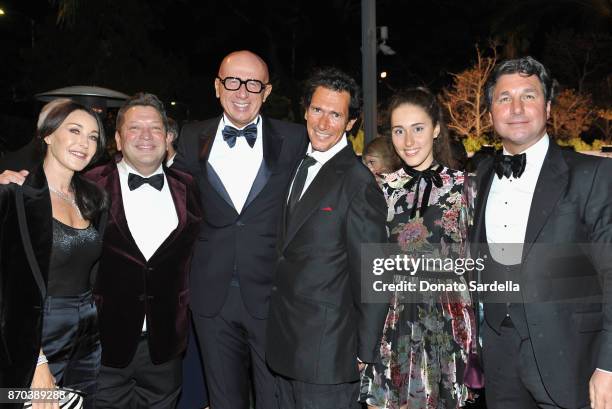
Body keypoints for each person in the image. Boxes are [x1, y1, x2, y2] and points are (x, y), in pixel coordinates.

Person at [471, 56, 612, 409]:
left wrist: (608, 365)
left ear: (548, 107)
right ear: (490, 114)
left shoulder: (591, 175)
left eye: (528, 96)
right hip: (499, 357)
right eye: (504, 98)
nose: (516, 107)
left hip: (573, 360)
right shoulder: (482, 176)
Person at [173, 50, 307, 409]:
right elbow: (161, 185)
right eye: (233, 81)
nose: (242, 91)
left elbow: (334, 173)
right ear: (218, 87)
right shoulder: (190, 137)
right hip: (211, 298)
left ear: (267, 91)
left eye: (253, 83)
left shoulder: (295, 139)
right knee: (223, 401)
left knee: (275, 399)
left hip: (273, 296)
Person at [265, 67, 388, 409]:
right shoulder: (294, 165)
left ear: (350, 123)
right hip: (283, 347)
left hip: (328, 354)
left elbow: (374, 274)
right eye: (317, 110)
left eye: (336, 114)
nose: (323, 122)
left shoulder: (358, 182)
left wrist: (365, 351)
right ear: (305, 110)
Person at [81, 92, 201, 409]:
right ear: (118, 139)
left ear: (168, 136)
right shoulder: (88, 186)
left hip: (166, 349)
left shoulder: (189, 187)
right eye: (135, 128)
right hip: (103, 345)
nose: (146, 136)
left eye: (155, 128)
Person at [360, 87, 477, 409]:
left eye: (418, 128)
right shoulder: (381, 192)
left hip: (448, 326)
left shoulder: (465, 189)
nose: (408, 141)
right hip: (393, 322)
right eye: (399, 130)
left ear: (436, 129)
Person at [0, 100, 108, 409]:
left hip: (87, 337)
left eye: (92, 136)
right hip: (35, 337)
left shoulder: (95, 199)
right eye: (74, 130)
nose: (84, 143)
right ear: (47, 135)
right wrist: (36, 360)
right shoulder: (15, 195)